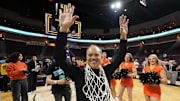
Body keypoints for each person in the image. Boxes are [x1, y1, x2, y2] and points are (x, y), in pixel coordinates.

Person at [54, 3, 128, 101]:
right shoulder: (79, 73)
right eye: (90, 55)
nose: (93, 57)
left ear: (101, 57)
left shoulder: (106, 71)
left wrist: (123, 38)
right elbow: (60, 58)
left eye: (96, 55)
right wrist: (63, 31)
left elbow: (119, 57)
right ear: (86, 57)